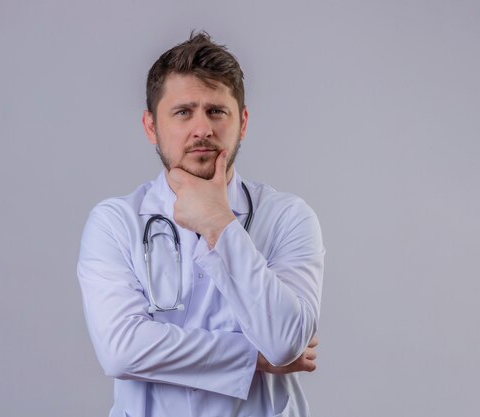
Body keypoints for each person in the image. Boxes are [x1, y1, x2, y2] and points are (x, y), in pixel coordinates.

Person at [77, 32, 325, 417]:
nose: (202, 129)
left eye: (216, 111)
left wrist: (219, 224)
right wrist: (252, 356)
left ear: (241, 122)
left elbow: (285, 343)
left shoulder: (288, 218)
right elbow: (121, 351)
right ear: (150, 126)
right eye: (183, 112)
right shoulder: (115, 223)